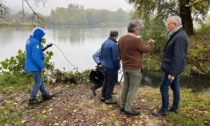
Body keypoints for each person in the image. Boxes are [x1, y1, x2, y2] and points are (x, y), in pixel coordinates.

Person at [152, 15, 188, 117]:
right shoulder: (177, 34)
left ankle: (164, 110)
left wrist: (172, 72)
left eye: (168, 24)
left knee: (163, 87)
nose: (167, 26)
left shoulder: (180, 37)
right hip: (173, 67)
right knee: (175, 86)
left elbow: (179, 56)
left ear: (175, 24)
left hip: (171, 68)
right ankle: (175, 107)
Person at [118, 20, 155, 116]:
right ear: (136, 29)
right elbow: (145, 49)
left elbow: (119, 53)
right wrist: (150, 43)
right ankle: (128, 108)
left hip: (125, 66)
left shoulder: (121, 39)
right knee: (133, 88)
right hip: (134, 68)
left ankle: (122, 106)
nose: (139, 31)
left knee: (126, 86)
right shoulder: (136, 40)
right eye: (139, 29)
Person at [25, 27, 54, 105]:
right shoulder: (35, 42)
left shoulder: (30, 40)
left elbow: (37, 51)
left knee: (40, 80)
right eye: (42, 36)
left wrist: (46, 47)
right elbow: (36, 57)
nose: (42, 37)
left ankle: (44, 95)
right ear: (39, 35)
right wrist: (42, 67)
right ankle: (32, 98)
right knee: (38, 81)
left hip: (32, 64)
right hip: (34, 65)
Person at [100, 30, 120, 104]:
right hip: (111, 67)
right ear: (116, 36)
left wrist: (103, 63)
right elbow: (115, 58)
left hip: (105, 66)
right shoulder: (114, 44)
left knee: (105, 81)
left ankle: (103, 96)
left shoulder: (104, 43)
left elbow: (101, 55)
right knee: (111, 83)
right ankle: (108, 98)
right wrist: (117, 66)